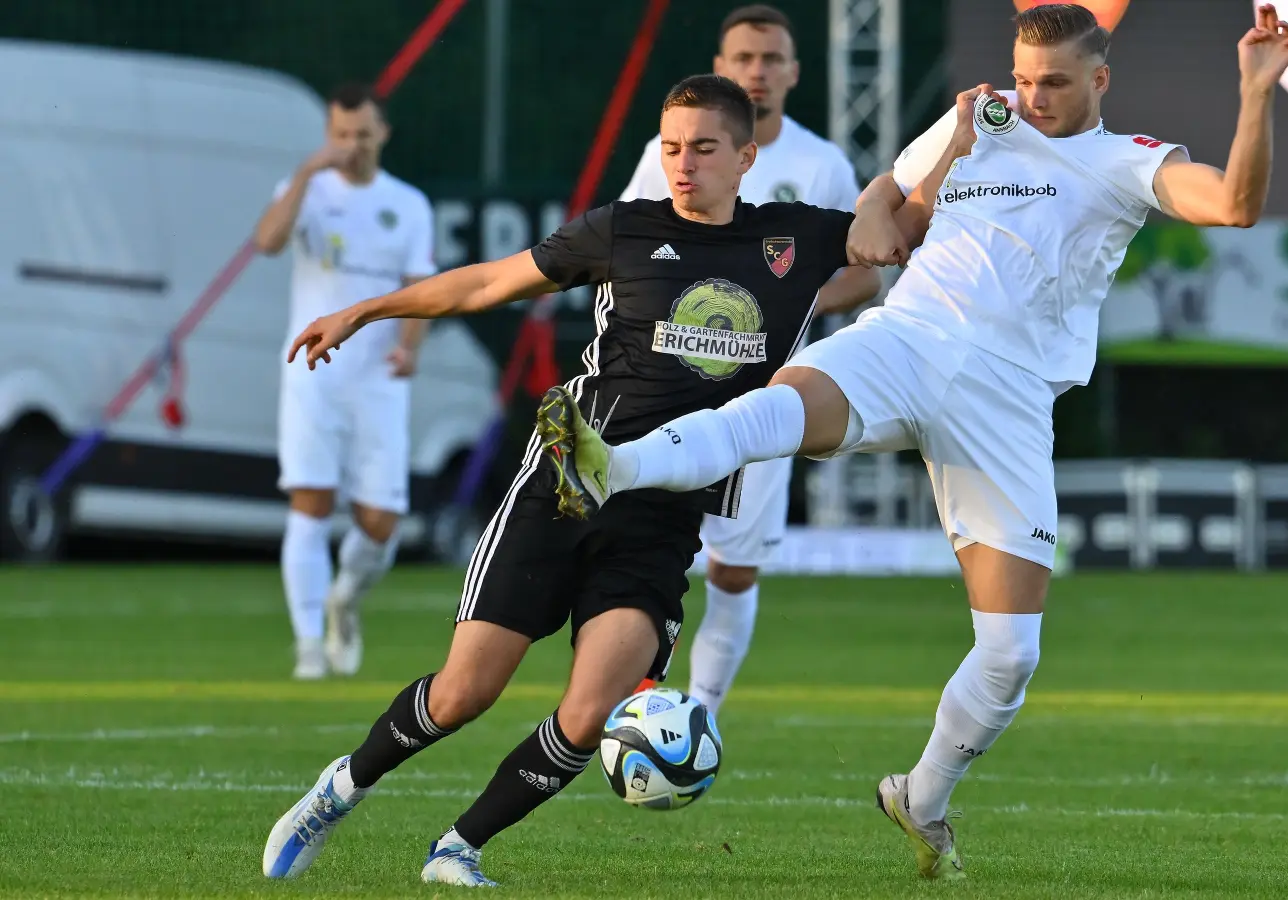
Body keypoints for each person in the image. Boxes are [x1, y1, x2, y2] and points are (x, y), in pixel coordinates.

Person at [537, 3, 1288, 880]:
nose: (1033, 96)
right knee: (778, 406)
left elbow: (1236, 205)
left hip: (1008, 398)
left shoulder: (1126, 163)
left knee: (1012, 655)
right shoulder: (983, 115)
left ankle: (922, 797)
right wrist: (881, 206)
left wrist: (1254, 94)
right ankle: (611, 464)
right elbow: (886, 197)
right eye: (1023, 76)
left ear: (1100, 81)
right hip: (906, 340)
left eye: (1054, 82)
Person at [261, 74, 861, 887]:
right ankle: (338, 792)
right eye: (671, 147)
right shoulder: (624, 229)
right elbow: (484, 283)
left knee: (587, 714)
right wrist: (367, 311)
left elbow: (909, 228)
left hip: (663, 519)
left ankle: (457, 850)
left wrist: (975, 134)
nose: (683, 165)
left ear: (747, 157)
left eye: (705, 149)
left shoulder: (800, 240)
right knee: (464, 693)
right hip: (565, 488)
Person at [618, 3, 879, 714]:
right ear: (721, 66)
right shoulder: (665, 152)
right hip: (666, 386)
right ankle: (638, 698)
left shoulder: (821, 163)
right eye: (742, 59)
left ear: (794, 72)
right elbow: (624, 249)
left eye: (770, 60)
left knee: (733, 570)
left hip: (762, 398)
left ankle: (701, 713)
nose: (756, 72)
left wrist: (795, 304)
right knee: (643, 550)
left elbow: (866, 270)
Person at [252, 82, 437, 680]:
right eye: (340, 135)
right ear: (328, 136)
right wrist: (307, 172)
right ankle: (308, 643)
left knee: (381, 522)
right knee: (310, 503)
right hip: (313, 372)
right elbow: (267, 242)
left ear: (382, 134)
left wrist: (408, 351)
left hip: (378, 380)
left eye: (362, 134)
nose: (351, 146)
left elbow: (420, 292)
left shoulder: (408, 203)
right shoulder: (306, 191)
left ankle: (344, 601)